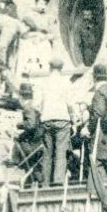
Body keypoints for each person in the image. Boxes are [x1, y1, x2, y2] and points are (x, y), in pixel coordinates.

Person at [38, 59, 75, 187]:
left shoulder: (43, 82)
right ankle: (58, 181)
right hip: (62, 120)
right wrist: (73, 119)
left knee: (47, 152)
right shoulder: (66, 82)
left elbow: (38, 104)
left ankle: (45, 183)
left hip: (47, 119)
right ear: (61, 69)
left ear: (50, 68)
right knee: (60, 151)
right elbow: (70, 104)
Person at [87, 64, 107, 172]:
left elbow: (98, 114)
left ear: (94, 76)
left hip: (99, 133)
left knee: (96, 162)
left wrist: (88, 128)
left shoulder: (99, 92)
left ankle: (100, 186)